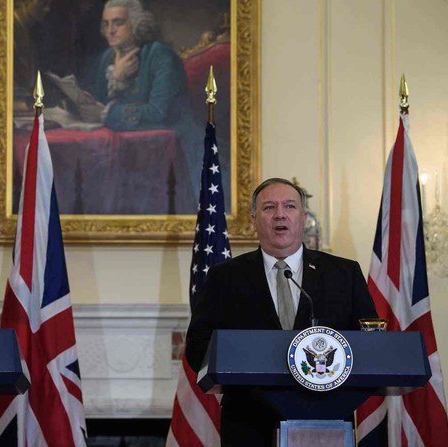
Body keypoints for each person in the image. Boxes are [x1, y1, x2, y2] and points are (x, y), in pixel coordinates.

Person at [185, 177, 378, 447]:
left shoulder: (344, 274)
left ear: (302, 217)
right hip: (248, 422)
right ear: (254, 220)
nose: (280, 215)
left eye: (289, 206)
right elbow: (197, 344)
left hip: (326, 417)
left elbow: (368, 342)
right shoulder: (224, 277)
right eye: (268, 208)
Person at [84, 0, 202, 197]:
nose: (110, 30)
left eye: (118, 22)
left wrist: (107, 113)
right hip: (130, 151)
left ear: (136, 23)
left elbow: (158, 113)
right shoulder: (107, 58)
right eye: (106, 24)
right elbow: (95, 104)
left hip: (177, 153)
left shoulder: (159, 55)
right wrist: (115, 79)